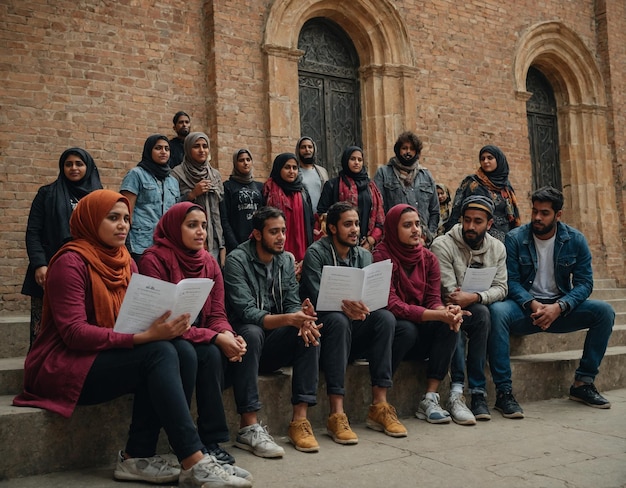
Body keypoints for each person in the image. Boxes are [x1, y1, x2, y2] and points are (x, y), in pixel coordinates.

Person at [13, 190, 252, 488]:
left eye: (126, 218)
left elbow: (138, 322)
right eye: (112, 218)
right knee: (160, 352)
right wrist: (145, 336)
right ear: (89, 220)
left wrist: (156, 333)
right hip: (63, 365)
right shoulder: (69, 263)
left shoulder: (127, 262)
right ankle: (192, 459)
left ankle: (137, 456)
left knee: (183, 350)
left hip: (104, 355)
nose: (123, 225)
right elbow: (74, 334)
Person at [488, 186, 615, 418]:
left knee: (604, 311)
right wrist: (534, 304)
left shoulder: (575, 240)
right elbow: (511, 281)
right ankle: (504, 393)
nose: (537, 217)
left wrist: (560, 307)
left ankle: (583, 384)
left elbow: (585, 283)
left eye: (544, 213)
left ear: (558, 215)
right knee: (497, 312)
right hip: (525, 310)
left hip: (560, 309)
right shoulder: (516, 238)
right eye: (534, 211)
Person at [139, 202, 247, 466]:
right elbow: (163, 319)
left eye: (204, 226)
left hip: (197, 334)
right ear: (175, 228)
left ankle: (210, 441)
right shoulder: (153, 260)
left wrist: (227, 334)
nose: (200, 232)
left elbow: (217, 313)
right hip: (163, 336)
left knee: (212, 353)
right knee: (195, 351)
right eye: (192, 225)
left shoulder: (209, 262)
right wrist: (214, 336)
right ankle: (185, 441)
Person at [300, 201, 408, 445]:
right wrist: (345, 307)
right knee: (338, 320)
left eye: (357, 224)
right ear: (333, 228)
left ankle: (379, 405)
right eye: (348, 224)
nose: (355, 230)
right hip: (327, 328)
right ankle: (336, 414)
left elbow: (370, 295)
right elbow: (318, 298)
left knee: (385, 318)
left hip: (356, 325)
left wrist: (364, 306)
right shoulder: (316, 253)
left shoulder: (364, 255)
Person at [223, 206, 322, 454]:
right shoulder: (237, 260)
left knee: (309, 331)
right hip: (242, 349)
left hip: (272, 344)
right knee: (252, 331)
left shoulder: (286, 259)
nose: (281, 237)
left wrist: (300, 314)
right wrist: (290, 318)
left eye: (283, 231)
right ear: (257, 234)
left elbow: (290, 299)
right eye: (274, 232)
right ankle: (249, 427)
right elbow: (247, 312)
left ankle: (299, 420)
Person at [372, 203, 466, 425]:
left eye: (417, 224)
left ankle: (430, 397)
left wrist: (446, 311)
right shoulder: (381, 256)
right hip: (393, 337)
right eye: (407, 225)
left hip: (420, 332)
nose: (416, 230)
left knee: (451, 323)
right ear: (394, 229)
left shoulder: (428, 258)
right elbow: (391, 304)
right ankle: (380, 400)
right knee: (406, 329)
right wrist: (435, 315)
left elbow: (433, 299)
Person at [431, 195, 508, 423]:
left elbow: (502, 287)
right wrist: (462, 299)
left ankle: (478, 393)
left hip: (473, 304)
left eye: (477, 221)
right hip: (446, 307)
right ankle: (456, 392)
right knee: (456, 314)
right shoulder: (442, 245)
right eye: (467, 220)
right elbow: (448, 292)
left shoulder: (497, 248)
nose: (471, 227)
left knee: (483, 314)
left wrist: (475, 296)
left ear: (489, 224)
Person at [22, 147, 102, 346]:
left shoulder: (99, 197)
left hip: (87, 271)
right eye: (68, 164)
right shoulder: (47, 193)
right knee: (42, 331)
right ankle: (39, 370)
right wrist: (39, 264)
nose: (73, 168)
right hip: (50, 268)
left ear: (88, 166)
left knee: (76, 327)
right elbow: (33, 231)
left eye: (79, 164)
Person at [120, 134, 179, 263]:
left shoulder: (173, 181)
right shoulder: (136, 174)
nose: (163, 152)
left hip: (166, 245)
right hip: (140, 244)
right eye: (158, 148)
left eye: (167, 149)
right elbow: (125, 211)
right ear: (149, 150)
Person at [444, 145, 521, 241]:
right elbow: (457, 211)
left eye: (490, 158)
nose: (485, 161)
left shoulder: (506, 187)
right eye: (482, 159)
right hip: (478, 238)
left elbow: (512, 217)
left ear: (499, 160)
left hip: (506, 241)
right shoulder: (472, 183)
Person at [317, 146, 385, 252]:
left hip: (367, 245)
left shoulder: (371, 187)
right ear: (345, 160)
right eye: (352, 159)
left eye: (360, 160)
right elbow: (322, 215)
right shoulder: (332, 185)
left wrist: (370, 240)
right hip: (339, 246)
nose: (356, 162)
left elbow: (379, 220)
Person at [172, 132, 226, 266]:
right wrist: (192, 194)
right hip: (188, 239)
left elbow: (220, 210)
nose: (202, 150)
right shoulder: (177, 174)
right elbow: (171, 208)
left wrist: (222, 243)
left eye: (205, 146)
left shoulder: (215, 175)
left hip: (214, 239)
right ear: (188, 149)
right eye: (196, 146)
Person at [373, 131, 439, 238]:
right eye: (404, 148)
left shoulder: (426, 176)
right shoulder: (384, 173)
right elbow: (378, 209)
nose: (408, 152)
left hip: (421, 239)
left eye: (412, 149)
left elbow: (435, 211)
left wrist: (428, 236)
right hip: (393, 238)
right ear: (398, 150)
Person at [262, 153, 314, 275]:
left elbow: (310, 221)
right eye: (287, 167)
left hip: (303, 252)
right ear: (278, 168)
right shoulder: (268, 190)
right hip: (275, 252)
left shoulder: (303, 190)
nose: (291, 171)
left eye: (294, 168)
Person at [220, 149, 265, 254]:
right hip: (237, 243)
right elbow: (224, 219)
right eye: (241, 160)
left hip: (258, 242)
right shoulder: (228, 186)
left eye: (248, 160)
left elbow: (265, 215)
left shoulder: (259, 186)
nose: (245, 163)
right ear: (235, 163)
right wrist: (235, 245)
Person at [295, 136, 329, 214]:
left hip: (320, 215)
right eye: (303, 147)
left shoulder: (322, 172)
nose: (307, 150)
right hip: (302, 215)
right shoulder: (294, 172)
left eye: (310, 147)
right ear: (298, 150)